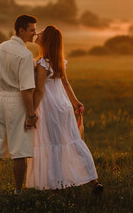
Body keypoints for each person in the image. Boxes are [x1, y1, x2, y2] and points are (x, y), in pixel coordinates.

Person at [26, 25, 103, 194]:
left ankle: (56, 186)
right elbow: (66, 83)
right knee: (73, 142)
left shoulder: (42, 63)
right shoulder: (58, 60)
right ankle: (93, 181)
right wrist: (76, 103)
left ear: (46, 41)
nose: (37, 35)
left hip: (49, 107)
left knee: (52, 144)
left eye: (40, 34)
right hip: (64, 106)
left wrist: (31, 113)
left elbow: (39, 90)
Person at [0, 14, 38, 197]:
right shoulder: (25, 55)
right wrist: (31, 114)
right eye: (31, 30)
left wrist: (1, 97)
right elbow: (26, 89)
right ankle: (17, 192)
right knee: (19, 152)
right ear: (21, 30)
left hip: (0, 99)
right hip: (17, 100)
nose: (34, 33)